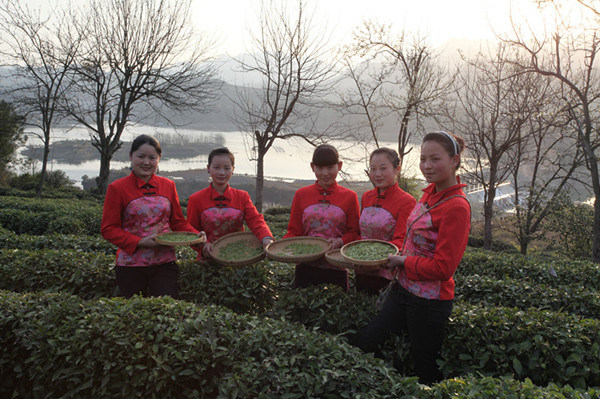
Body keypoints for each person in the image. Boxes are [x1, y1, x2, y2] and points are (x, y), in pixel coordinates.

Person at [352, 131, 471, 385]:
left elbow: (444, 268)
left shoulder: (457, 207)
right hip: (404, 289)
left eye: (435, 159)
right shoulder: (429, 193)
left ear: (454, 160)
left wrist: (402, 261)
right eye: (423, 159)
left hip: (429, 301)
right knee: (366, 340)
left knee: (424, 366)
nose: (427, 166)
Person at [101, 134, 202, 299]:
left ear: (159, 159)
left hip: (165, 262)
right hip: (130, 265)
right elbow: (108, 229)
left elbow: (177, 222)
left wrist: (195, 236)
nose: (146, 162)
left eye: (152, 158)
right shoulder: (117, 188)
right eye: (141, 157)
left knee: (166, 310)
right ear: (131, 156)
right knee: (135, 315)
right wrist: (140, 242)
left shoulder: (168, 185)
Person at [283, 144, 360, 291]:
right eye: (319, 168)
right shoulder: (301, 195)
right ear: (312, 167)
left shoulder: (350, 197)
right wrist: (280, 247)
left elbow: (354, 232)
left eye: (330, 167)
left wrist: (340, 241)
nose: (325, 173)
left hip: (337, 267)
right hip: (305, 267)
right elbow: (294, 231)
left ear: (340, 166)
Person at [187, 147, 273, 261]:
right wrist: (203, 246)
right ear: (208, 168)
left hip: (239, 259)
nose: (221, 172)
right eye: (216, 167)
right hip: (207, 260)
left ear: (233, 169)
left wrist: (266, 239)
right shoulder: (196, 199)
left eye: (227, 168)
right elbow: (191, 231)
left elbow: (256, 221)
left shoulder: (242, 197)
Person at [356, 148, 416, 294]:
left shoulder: (406, 201)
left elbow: (402, 239)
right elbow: (360, 233)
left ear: (397, 170)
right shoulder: (367, 197)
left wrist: (375, 259)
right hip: (361, 269)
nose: (377, 174)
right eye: (373, 169)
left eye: (383, 168)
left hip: (387, 273)